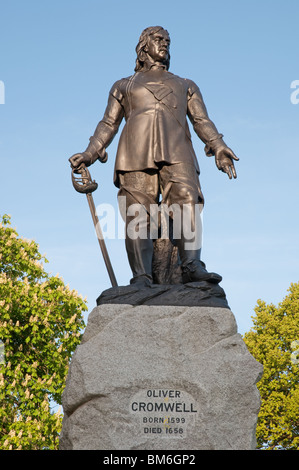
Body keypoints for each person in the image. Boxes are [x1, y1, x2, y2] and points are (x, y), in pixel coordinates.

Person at [69, 26, 239, 286]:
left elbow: (201, 120)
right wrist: (89, 153)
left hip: (178, 151)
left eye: (168, 41)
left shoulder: (185, 84)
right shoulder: (123, 86)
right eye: (158, 40)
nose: (165, 44)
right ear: (143, 46)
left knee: (186, 202)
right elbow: (108, 124)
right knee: (137, 214)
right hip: (134, 155)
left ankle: (192, 265)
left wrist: (218, 146)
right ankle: (141, 277)